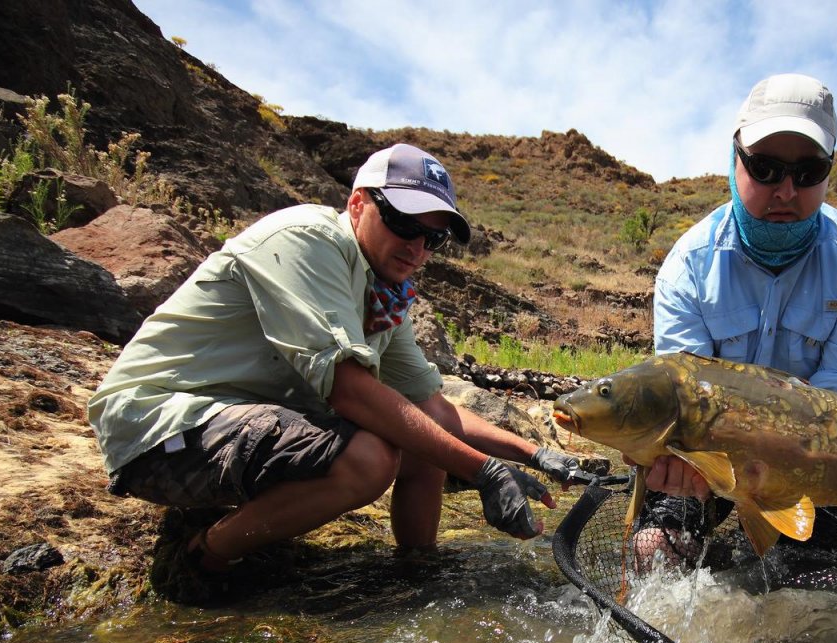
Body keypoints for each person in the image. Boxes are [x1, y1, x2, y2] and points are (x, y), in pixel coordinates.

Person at [89, 143, 581, 602]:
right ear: (358, 205)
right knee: (371, 457)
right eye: (405, 224)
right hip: (157, 429)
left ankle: (418, 571)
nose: (418, 249)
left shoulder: (385, 297)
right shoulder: (308, 241)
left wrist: (534, 454)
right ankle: (202, 557)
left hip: (232, 429)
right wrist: (483, 471)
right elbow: (349, 392)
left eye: (433, 238)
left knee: (422, 436)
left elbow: (433, 409)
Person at [639, 73, 837, 560]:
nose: (787, 191)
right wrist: (676, 459)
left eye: (808, 172)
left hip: (815, 462)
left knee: (808, 583)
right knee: (655, 551)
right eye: (766, 169)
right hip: (710, 459)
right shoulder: (687, 267)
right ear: (735, 159)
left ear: (829, 171)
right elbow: (680, 398)